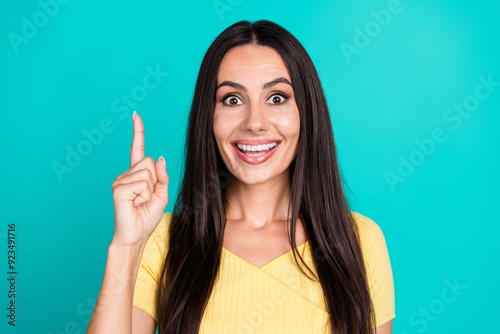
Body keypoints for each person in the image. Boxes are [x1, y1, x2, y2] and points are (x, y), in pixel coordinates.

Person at [86, 19, 395, 334]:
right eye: (232, 99)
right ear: (208, 117)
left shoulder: (358, 241)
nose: (255, 123)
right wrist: (127, 245)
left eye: (277, 97)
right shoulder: (163, 243)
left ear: (306, 113)